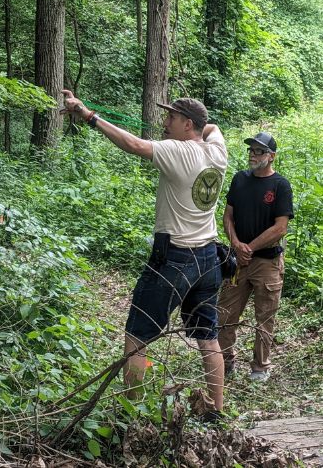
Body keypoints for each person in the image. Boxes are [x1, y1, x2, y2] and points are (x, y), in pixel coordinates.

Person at [60, 90, 228, 416]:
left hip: (175, 259)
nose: (164, 123)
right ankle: (216, 413)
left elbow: (134, 145)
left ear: (187, 124)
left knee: (137, 335)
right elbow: (213, 127)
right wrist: (199, 127)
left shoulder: (177, 151)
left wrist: (88, 114)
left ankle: (131, 417)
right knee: (208, 339)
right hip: (208, 259)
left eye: (171, 118)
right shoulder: (217, 152)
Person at [217, 132, 293, 381]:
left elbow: (280, 228)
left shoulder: (280, 185)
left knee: (265, 317)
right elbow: (228, 216)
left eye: (259, 151)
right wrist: (237, 245)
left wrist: (249, 247)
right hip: (238, 261)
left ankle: (259, 367)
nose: (252, 154)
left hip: (268, 263)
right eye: (251, 149)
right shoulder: (240, 179)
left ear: (271, 156)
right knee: (225, 312)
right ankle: (225, 362)